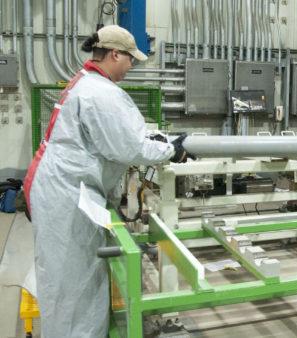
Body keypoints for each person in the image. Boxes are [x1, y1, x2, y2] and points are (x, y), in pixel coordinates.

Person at [23, 25, 194, 337]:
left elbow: (119, 135)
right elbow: (128, 147)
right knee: (73, 281)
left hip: (61, 187)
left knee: (67, 276)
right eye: (130, 59)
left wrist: (159, 139)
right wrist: (171, 151)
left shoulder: (88, 84)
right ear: (115, 54)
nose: (131, 66)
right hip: (67, 195)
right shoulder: (102, 93)